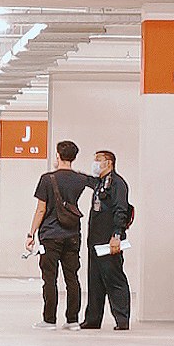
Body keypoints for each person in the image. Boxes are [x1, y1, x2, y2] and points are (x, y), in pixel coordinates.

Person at [25, 137, 90, 325]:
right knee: (72, 278)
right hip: (72, 235)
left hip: (50, 236)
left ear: (58, 155)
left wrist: (31, 234)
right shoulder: (80, 179)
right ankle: (72, 320)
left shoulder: (47, 179)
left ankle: (49, 319)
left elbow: (41, 209)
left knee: (50, 279)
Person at [81, 147, 135, 326]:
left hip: (109, 240)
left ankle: (122, 319)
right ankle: (92, 320)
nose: (95, 163)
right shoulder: (99, 183)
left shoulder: (118, 184)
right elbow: (85, 179)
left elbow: (121, 210)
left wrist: (117, 235)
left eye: (98, 160)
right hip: (95, 240)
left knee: (114, 278)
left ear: (108, 163)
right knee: (95, 281)